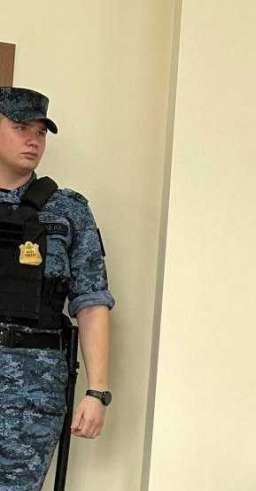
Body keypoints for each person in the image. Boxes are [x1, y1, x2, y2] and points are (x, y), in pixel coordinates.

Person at [0, 87, 114, 490]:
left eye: (41, 132)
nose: (33, 140)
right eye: (20, 128)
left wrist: (97, 392)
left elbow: (92, 301)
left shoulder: (67, 210)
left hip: (31, 391)